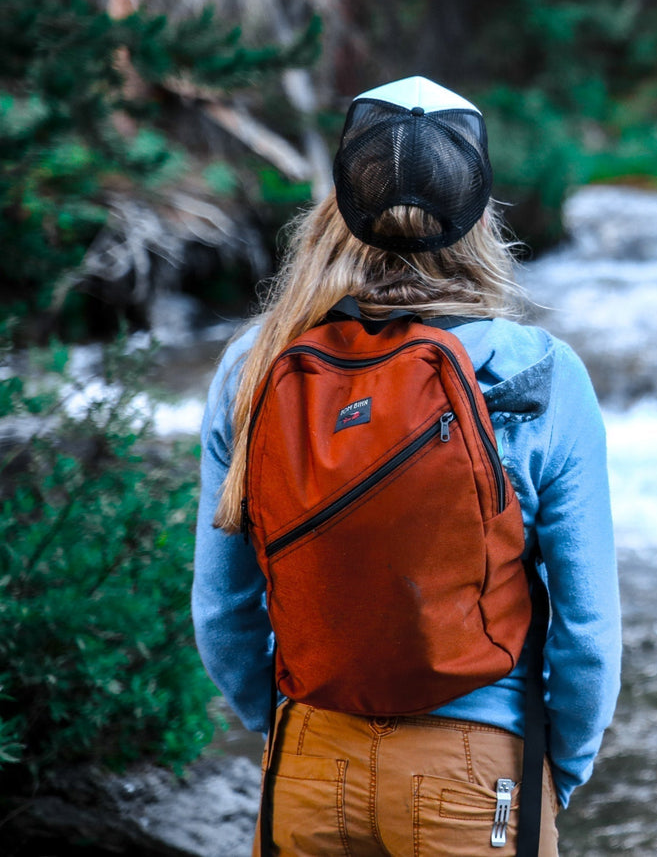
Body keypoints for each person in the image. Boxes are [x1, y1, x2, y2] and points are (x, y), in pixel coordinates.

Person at [192, 76, 621, 856]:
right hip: (477, 767)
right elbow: (586, 633)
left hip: (309, 755)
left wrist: (285, 722)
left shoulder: (255, 364)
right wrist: (561, 768)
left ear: (337, 205)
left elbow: (223, 610)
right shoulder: (540, 372)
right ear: (481, 215)